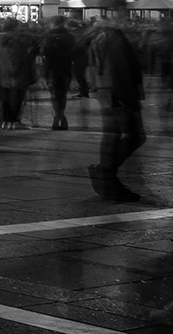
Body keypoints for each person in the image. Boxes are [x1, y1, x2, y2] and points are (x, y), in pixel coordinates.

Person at [85, 12, 146, 202]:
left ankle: (107, 178)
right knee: (135, 136)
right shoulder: (115, 40)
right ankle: (106, 173)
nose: (129, 20)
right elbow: (121, 70)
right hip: (117, 94)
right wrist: (130, 100)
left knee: (112, 137)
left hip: (104, 91)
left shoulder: (98, 38)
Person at [40, 15, 77, 130]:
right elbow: (75, 53)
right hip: (66, 67)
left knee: (54, 94)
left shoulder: (48, 37)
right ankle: (60, 116)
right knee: (63, 94)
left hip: (51, 68)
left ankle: (58, 116)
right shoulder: (70, 37)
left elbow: (43, 52)